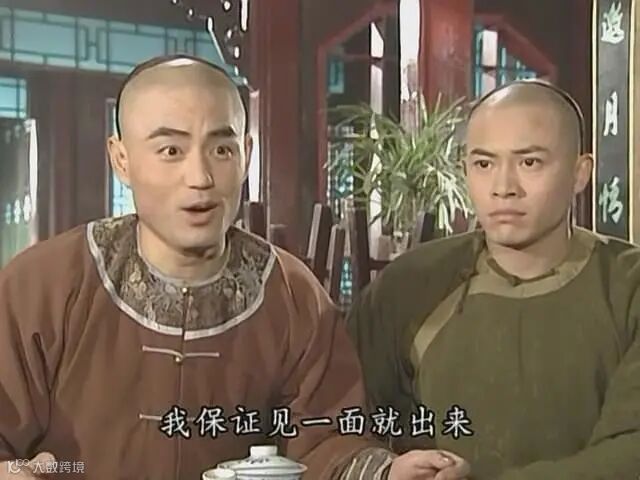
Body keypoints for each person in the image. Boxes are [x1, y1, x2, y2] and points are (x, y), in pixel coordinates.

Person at [0, 54, 469, 480]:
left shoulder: (293, 296)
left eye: (221, 150)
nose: (200, 178)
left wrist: (386, 473)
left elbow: (325, 442)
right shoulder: (44, 286)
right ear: (121, 159)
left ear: (246, 153)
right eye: (171, 150)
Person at [347, 80, 640, 480]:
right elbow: (342, 426)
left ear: (579, 173)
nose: (504, 188)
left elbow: (629, 453)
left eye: (529, 163)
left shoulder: (628, 287)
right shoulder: (410, 287)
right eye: (484, 164)